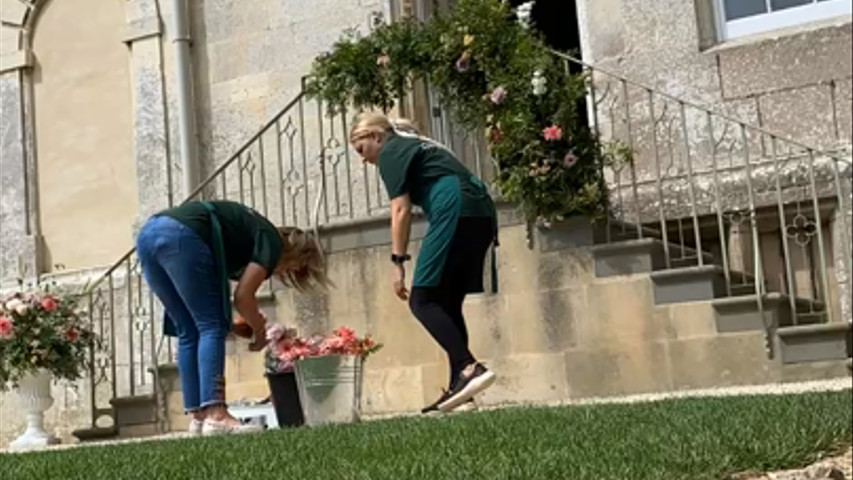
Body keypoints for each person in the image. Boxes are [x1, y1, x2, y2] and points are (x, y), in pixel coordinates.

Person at [136, 200, 328, 435]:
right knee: (210, 326)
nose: (284, 274)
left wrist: (242, 324)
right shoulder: (271, 242)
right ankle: (216, 414)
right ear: (296, 255)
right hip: (182, 235)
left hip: (148, 234)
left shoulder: (247, 238)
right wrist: (259, 330)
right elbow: (243, 297)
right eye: (294, 269)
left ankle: (198, 417)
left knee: (188, 329)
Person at [349, 112, 498, 414]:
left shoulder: (390, 151)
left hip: (454, 206)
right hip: (482, 210)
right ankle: (461, 388)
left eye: (362, 150)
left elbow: (400, 210)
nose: (364, 160)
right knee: (447, 301)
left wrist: (397, 261)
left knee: (422, 300)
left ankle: (469, 369)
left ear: (377, 136)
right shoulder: (419, 144)